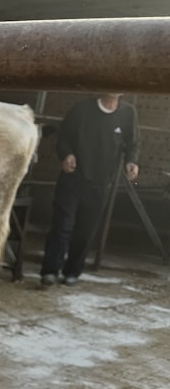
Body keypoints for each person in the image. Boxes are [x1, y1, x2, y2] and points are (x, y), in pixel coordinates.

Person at [40, 93, 139, 287]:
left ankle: (72, 272)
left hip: (102, 183)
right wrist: (66, 154)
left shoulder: (128, 113)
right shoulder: (82, 109)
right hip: (73, 178)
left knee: (85, 231)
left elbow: (132, 143)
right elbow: (64, 136)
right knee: (62, 226)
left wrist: (131, 161)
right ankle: (50, 271)